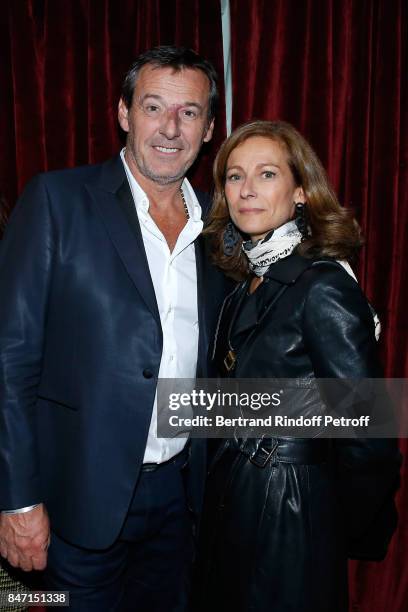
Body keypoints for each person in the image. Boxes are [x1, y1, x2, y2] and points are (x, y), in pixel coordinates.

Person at [0, 45, 229, 611]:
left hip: (182, 502)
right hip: (74, 505)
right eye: (153, 107)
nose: (170, 128)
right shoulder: (57, 201)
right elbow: (9, 361)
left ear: (209, 128)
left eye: (189, 112)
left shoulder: (221, 225)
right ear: (124, 114)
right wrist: (16, 500)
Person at [194, 120, 401, 612]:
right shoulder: (244, 284)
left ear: (302, 191)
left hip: (291, 511)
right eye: (234, 177)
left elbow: (369, 436)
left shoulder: (323, 285)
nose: (246, 191)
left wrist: (328, 520)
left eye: (266, 175)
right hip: (231, 506)